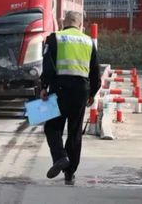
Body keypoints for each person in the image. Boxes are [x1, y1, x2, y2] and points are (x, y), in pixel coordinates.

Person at [39, 10, 101, 185]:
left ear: (63, 23)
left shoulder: (55, 38)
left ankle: (60, 157)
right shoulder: (88, 41)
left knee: (52, 127)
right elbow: (96, 71)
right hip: (81, 90)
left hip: (59, 88)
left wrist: (44, 86)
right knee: (75, 131)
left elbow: (48, 65)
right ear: (81, 25)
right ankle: (69, 172)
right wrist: (92, 94)